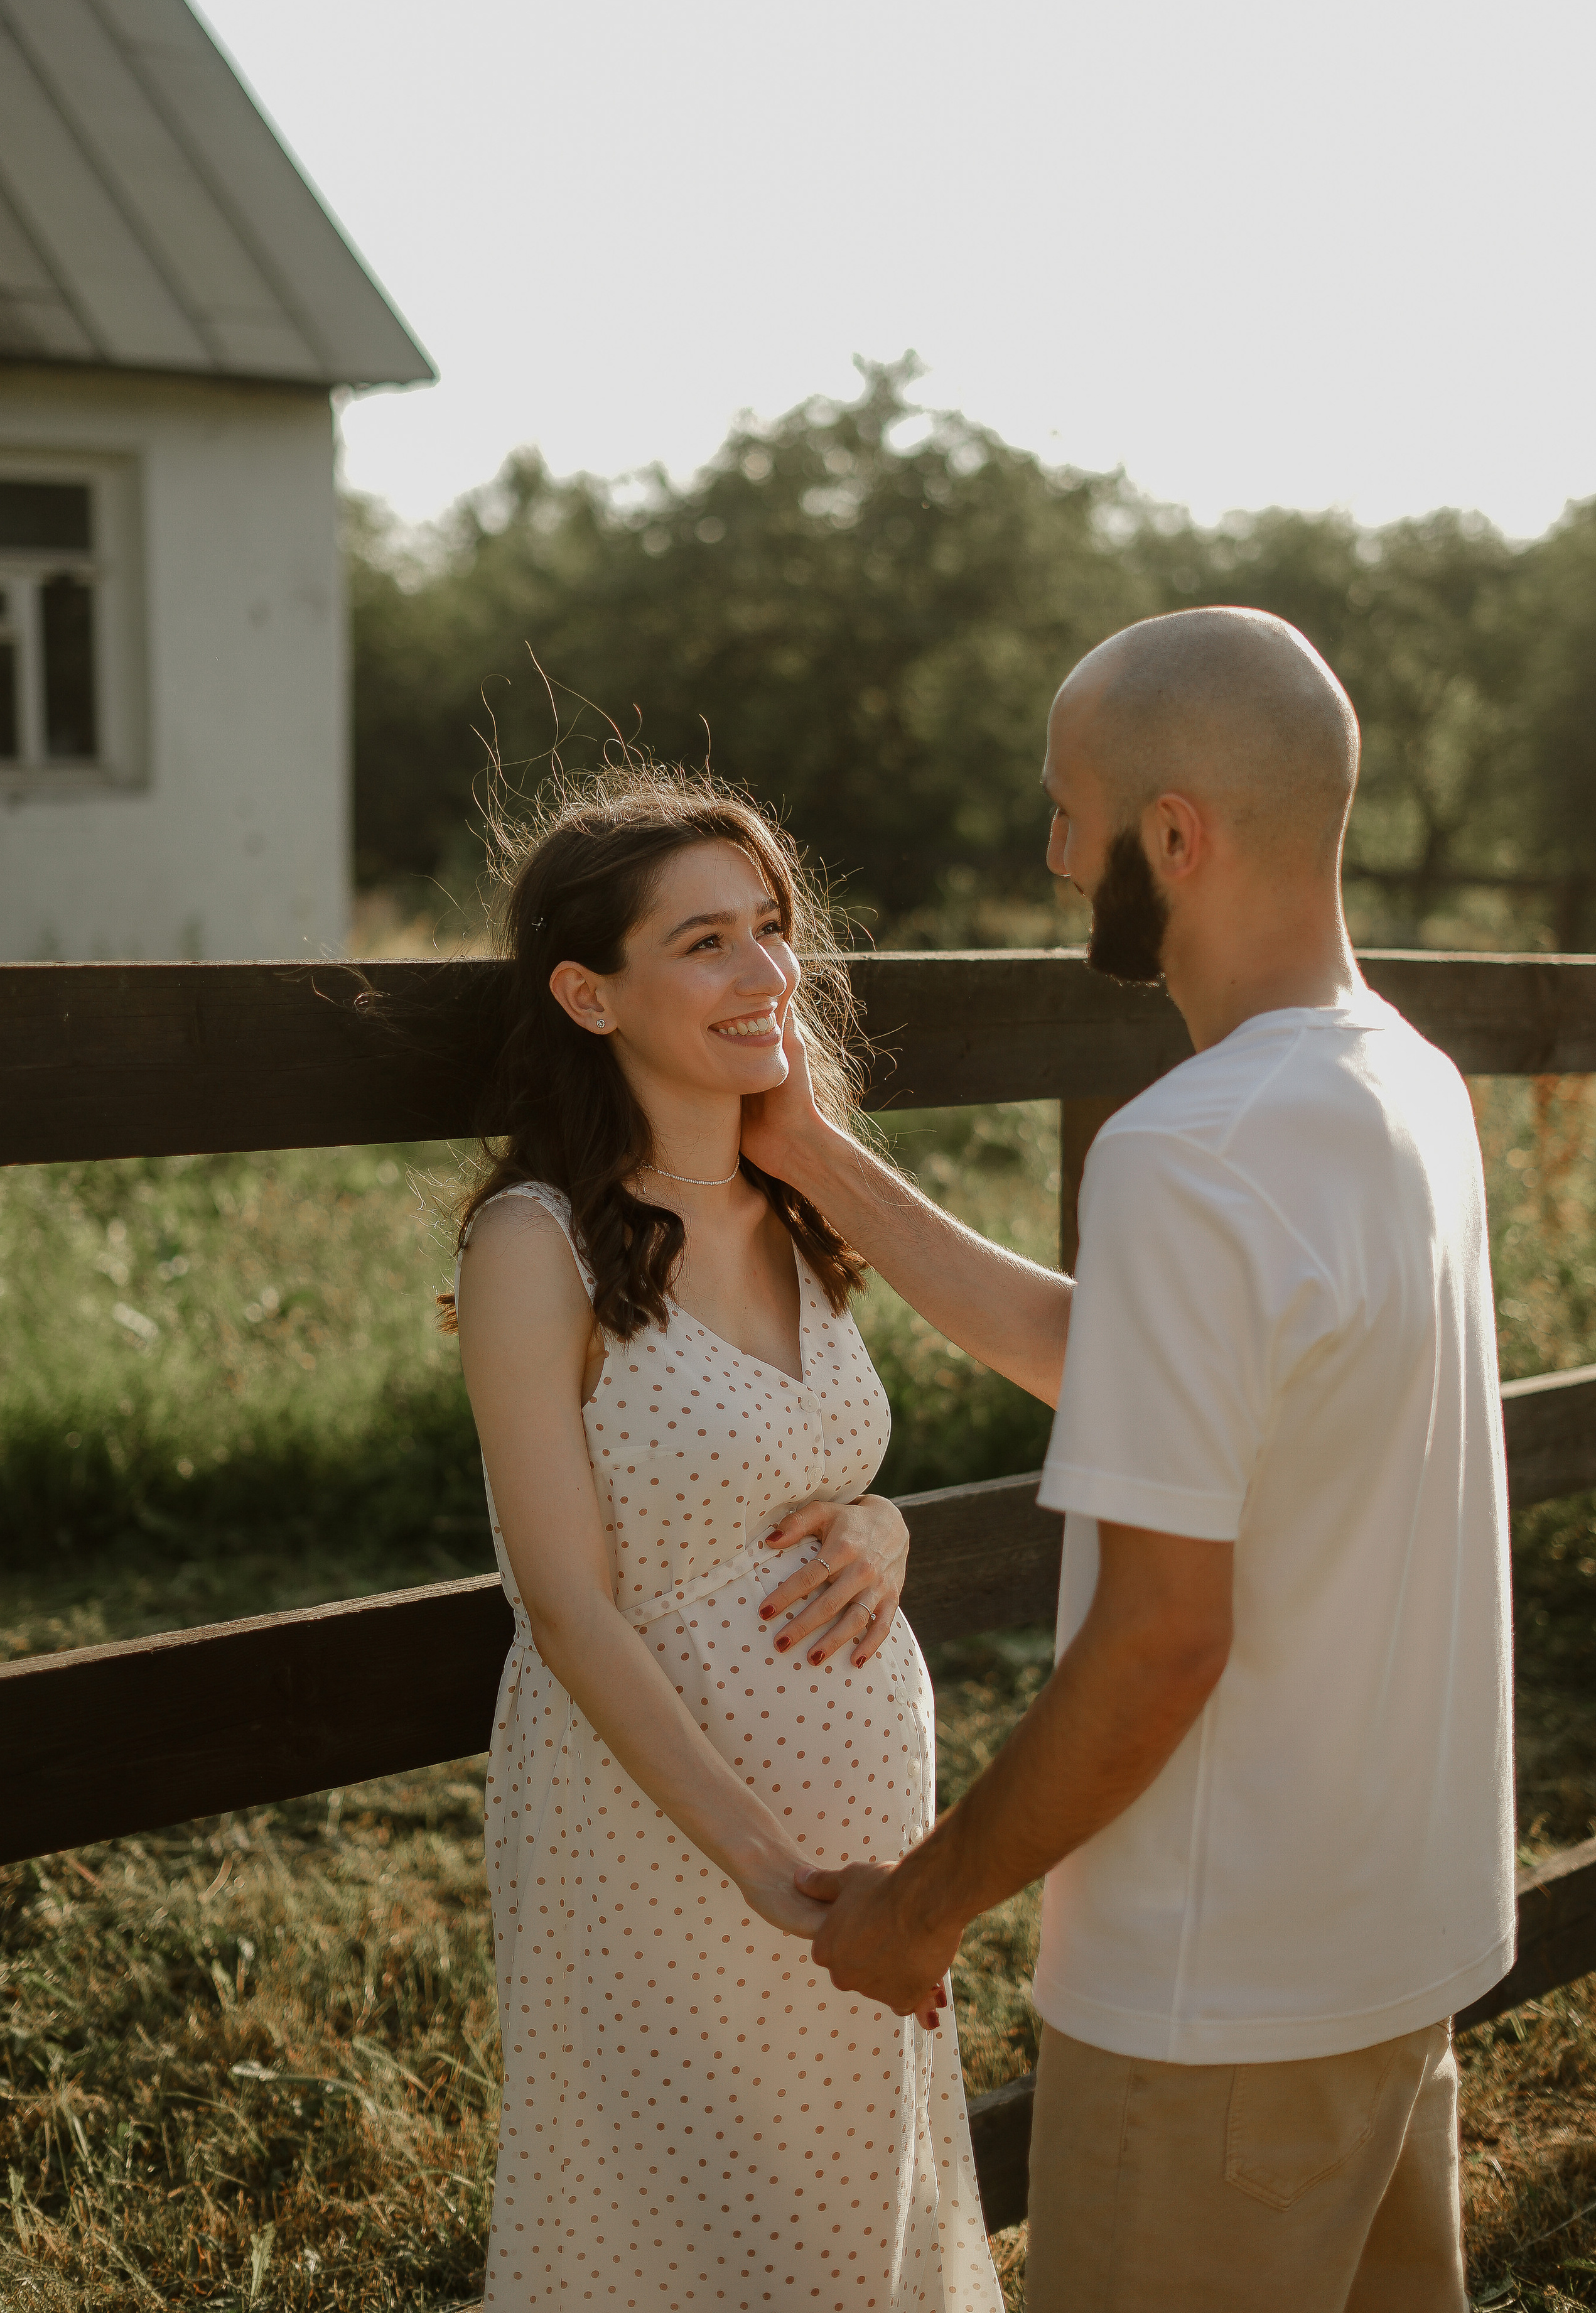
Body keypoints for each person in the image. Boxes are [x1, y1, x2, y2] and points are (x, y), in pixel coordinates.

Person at [743, 607, 1515, 2312]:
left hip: (1214, 2010)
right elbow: (1130, 1367)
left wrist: (926, 1907)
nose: (1052, 851)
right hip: (1397, 1964)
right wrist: (819, 1156)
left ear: (1177, 837)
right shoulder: (1409, 1087)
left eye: (1070, 811)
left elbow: (1164, 1637)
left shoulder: (1194, 1151)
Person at [450, 764, 1003, 2310]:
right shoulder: (533, 1244)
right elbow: (563, 1607)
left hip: (868, 1834)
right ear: (587, 992)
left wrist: (882, 1526)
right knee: (682, 2222)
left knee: (847, 2217)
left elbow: (799, 1479)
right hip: (666, 1840)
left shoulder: (800, 1212)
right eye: (702, 942)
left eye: (768, 927)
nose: (767, 972)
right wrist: (759, 1864)